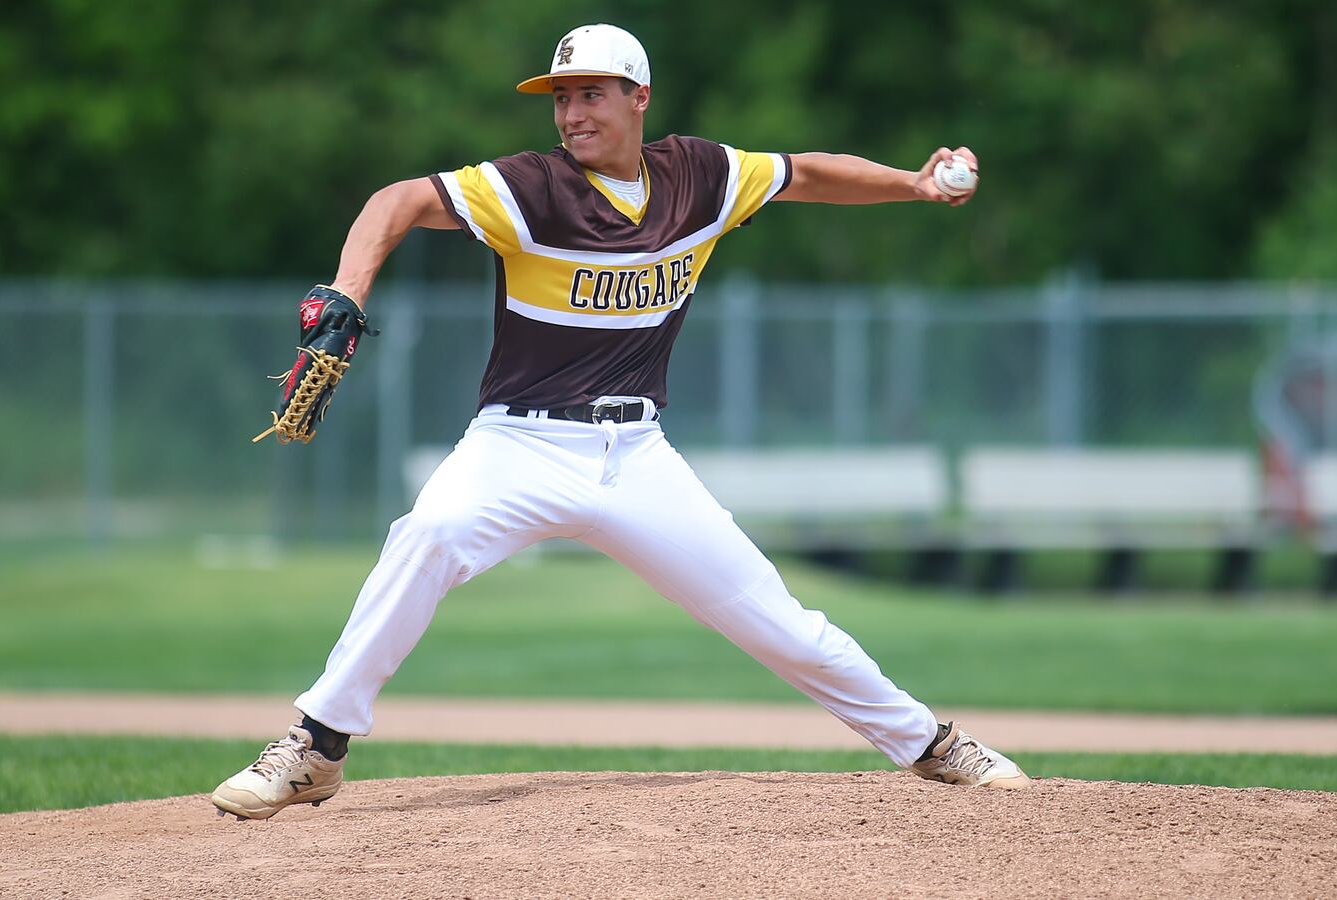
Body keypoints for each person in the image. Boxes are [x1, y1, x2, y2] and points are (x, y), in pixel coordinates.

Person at [210, 23, 1028, 821]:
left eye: (591, 94)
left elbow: (805, 174)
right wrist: (350, 290)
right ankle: (317, 748)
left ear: (640, 98)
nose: (572, 114)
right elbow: (396, 201)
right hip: (519, 443)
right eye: (561, 97)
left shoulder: (700, 177)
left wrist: (912, 183)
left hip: (637, 454)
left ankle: (932, 743)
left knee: (780, 622)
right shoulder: (532, 188)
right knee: (426, 537)